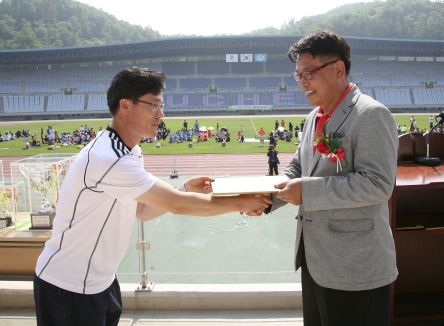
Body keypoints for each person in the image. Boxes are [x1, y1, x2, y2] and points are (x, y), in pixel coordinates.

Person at [33, 67, 271, 326]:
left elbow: (142, 211)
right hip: (68, 285)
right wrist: (243, 202)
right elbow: (177, 206)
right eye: (154, 105)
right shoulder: (108, 157)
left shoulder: (129, 151)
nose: (161, 114)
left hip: (100, 280)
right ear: (125, 106)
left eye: (161, 105)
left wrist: (182, 190)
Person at [265, 31, 398, 325]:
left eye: (308, 73)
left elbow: (377, 184)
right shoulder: (314, 116)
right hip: (316, 258)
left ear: (338, 69)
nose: (302, 82)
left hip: (355, 267)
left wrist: (307, 194)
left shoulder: (371, 114)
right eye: (297, 75)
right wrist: (264, 196)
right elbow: (299, 169)